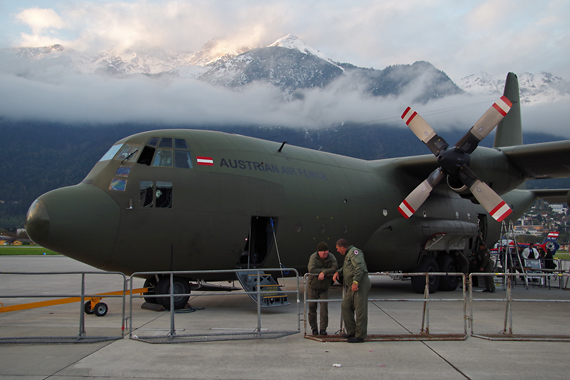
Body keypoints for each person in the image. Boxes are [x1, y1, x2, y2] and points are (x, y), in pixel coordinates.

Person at [332, 238, 371, 343]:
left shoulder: (354, 252)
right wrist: (338, 272)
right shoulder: (348, 254)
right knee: (345, 306)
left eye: (338, 248)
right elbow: (347, 268)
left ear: (342, 247)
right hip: (352, 285)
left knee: (360, 310)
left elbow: (359, 267)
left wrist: (355, 282)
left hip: (359, 284)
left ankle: (360, 335)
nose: (337, 251)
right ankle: (351, 331)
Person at [307, 241, 338, 336]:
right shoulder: (313, 257)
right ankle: (314, 328)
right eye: (323, 252)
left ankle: (323, 329)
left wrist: (323, 273)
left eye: (327, 251)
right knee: (312, 307)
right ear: (318, 252)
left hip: (324, 287)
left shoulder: (331, 257)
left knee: (324, 308)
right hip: (313, 286)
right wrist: (323, 271)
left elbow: (335, 267)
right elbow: (311, 269)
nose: (326, 253)